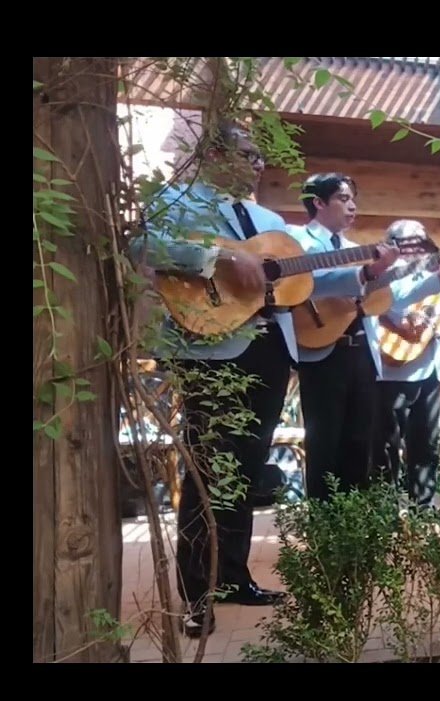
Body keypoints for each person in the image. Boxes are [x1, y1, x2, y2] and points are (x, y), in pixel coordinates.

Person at [131, 119, 294, 637]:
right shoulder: (179, 199)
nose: (258, 164)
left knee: (245, 469)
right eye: (248, 154)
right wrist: (216, 256)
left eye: (260, 157)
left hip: (270, 346)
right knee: (208, 471)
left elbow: (298, 273)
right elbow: (144, 246)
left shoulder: (268, 218)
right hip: (208, 348)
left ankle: (233, 576)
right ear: (216, 155)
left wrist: (369, 266)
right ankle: (196, 596)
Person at [287, 172, 399, 501]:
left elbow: (382, 299)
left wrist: (429, 275)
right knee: (325, 441)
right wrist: (363, 275)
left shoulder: (355, 249)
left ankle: (353, 526)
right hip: (321, 348)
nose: (352, 207)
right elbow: (309, 282)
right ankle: (324, 526)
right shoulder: (298, 240)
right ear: (318, 203)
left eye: (353, 200)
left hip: (361, 350)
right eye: (343, 199)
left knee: (359, 440)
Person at [370, 220, 440, 507]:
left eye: (420, 242)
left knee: (426, 441)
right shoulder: (384, 275)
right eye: (407, 243)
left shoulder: (435, 274)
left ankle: (423, 504)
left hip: (429, 366)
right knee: (386, 443)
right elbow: (385, 306)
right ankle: (385, 506)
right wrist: (402, 323)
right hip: (393, 368)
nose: (414, 249)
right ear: (393, 244)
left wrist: (432, 321)